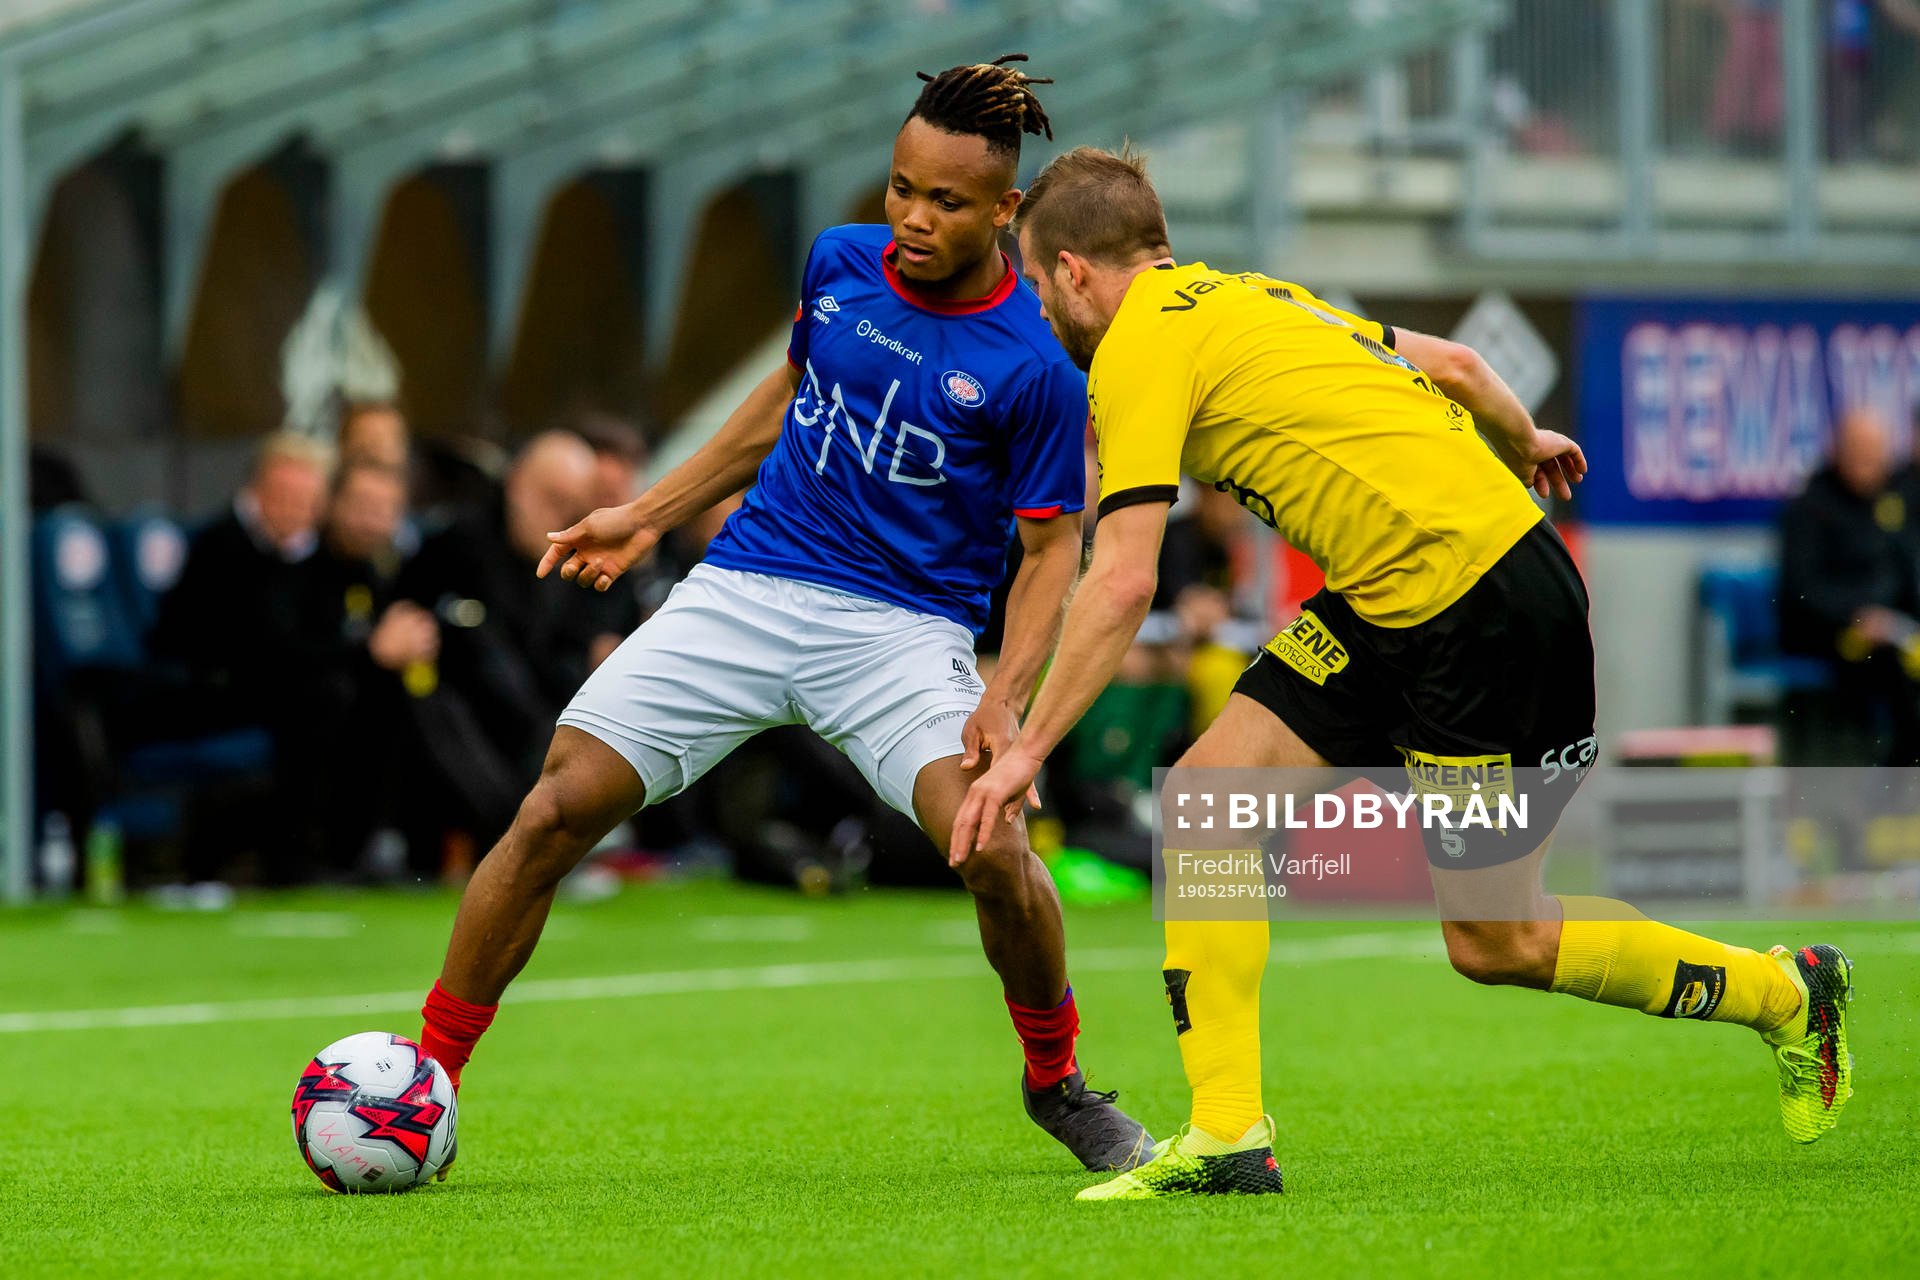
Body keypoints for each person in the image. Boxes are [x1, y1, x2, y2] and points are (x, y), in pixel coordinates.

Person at [952, 145, 1856, 1199]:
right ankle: (1229, 1136)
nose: (1046, 314)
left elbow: (1120, 581)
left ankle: (1789, 993)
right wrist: (1525, 438)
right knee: (1207, 802)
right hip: (1405, 596)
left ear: (1071, 270)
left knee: (1496, 936)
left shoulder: (1136, 346)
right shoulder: (1254, 296)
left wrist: (1023, 752)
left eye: (1035, 280)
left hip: (1481, 612)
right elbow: (1462, 369)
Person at [412, 58, 1151, 1176]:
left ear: (1005, 210)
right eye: (901, 187)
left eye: (945, 201)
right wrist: (651, 513)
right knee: (556, 804)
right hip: (747, 587)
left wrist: (1005, 702)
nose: (909, 217)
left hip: (902, 633)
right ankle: (427, 1083)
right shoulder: (841, 262)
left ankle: (1057, 1082)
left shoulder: (1036, 363)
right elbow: (782, 400)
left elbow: (1053, 548)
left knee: (996, 847)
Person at [1780, 406, 1920, 762]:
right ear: (1837, 451)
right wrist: (1855, 616)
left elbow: (1903, 572)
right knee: (1891, 673)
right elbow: (1800, 589)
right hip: (1825, 632)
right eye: (1859, 454)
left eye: (1875, 456)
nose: (1867, 465)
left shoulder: (1893, 502)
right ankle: (1884, 790)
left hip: (1889, 629)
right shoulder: (1808, 508)